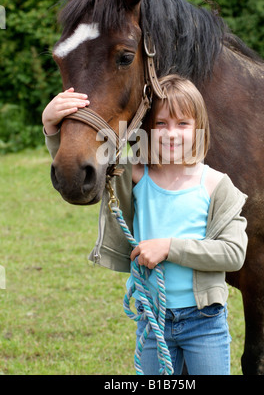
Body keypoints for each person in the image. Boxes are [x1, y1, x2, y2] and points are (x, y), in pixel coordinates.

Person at [42, 75, 248, 375]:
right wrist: (51, 127)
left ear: (199, 128)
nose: (171, 134)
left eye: (183, 124)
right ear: (148, 129)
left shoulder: (217, 185)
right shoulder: (135, 176)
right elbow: (78, 174)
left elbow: (233, 254)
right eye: (161, 124)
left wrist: (169, 248)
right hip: (152, 319)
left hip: (205, 321)